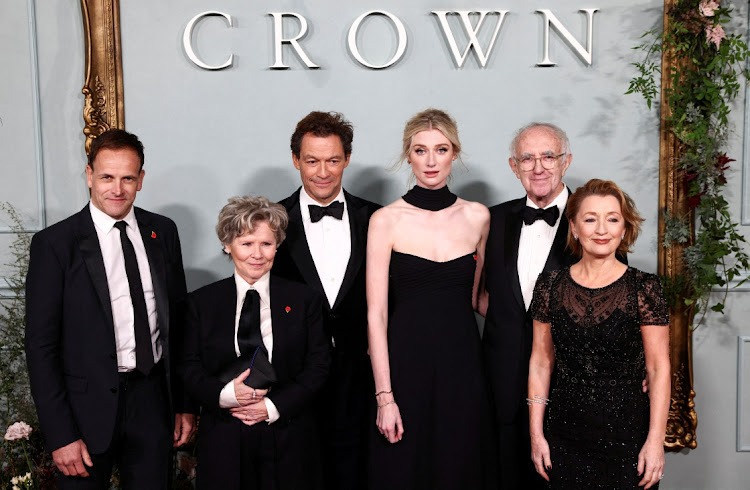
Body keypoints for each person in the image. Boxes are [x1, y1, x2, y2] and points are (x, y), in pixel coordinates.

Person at [25, 128, 196, 489]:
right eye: (106, 177)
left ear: (141, 180)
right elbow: (41, 348)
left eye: (127, 178)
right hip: (83, 413)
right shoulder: (54, 245)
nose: (117, 189)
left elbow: (178, 325)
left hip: (152, 402)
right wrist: (60, 435)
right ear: (89, 175)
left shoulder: (162, 232)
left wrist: (183, 404)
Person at [367, 108, 493, 489]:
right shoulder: (386, 220)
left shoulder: (478, 217)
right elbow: (376, 316)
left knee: (461, 470)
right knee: (404, 471)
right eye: (421, 150)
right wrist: (385, 397)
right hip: (405, 370)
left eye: (440, 149)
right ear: (409, 155)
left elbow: (478, 299)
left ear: (454, 153)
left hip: (464, 369)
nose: (431, 160)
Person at [528, 179, 670, 489]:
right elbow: (540, 362)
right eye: (590, 219)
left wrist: (656, 441)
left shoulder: (645, 288)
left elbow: (658, 368)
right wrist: (536, 435)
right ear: (575, 227)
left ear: (624, 227)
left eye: (612, 218)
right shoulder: (549, 286)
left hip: (629, 438)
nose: (601, 229)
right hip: (564, 435)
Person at [181, 196, 330, 490]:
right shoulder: (201, 303)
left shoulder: (304, 300)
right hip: (224, 435)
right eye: (246, 243)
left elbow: (319, 366)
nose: (257, 254)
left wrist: (272, 406)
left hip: (289, 433)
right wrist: (226, 395)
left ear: (278, 245)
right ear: (227, 245)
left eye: (266, 243)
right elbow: (187, 366)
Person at [273, 111, 380, 490]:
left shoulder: (377, 219)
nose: (323, 172)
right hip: (293, 377)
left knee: (358, 473)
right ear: (296, 160)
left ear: (347, 159)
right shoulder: (271, 221)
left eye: (333, 160)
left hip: (361, 377)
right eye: (312, 161)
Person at [478, 122, 575, 489]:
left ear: (566, 162)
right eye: (527, 158)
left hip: (567, 381)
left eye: (548, 156)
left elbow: (615, 300)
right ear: (512, 166)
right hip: (500, 378)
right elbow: (476, 294)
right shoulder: (494, 218)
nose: (538, 167)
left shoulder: (591, 218)